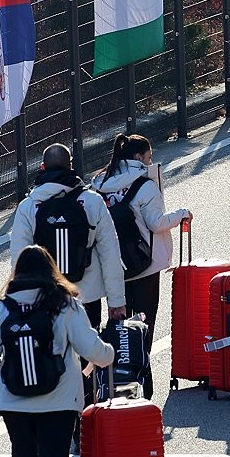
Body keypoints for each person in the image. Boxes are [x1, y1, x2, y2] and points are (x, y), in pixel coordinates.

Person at [0, 246, 115, 457]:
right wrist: (109, 352)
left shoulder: (0, 310)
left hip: (15, 405)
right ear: (51, 271)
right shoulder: (65, 305)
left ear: (17, 273)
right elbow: (92, 350)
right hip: (58, 403)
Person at [91, 133, 192, 357]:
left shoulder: (100, 186)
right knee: (145, 321)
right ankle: (141, 370)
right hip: (145, 262)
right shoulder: (145, 186)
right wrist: (182, 214)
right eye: (148, 157)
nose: (149, 161)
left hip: (113, 265)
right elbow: (156, 224)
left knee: (119, 321)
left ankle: (120, 368)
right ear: (138, 157)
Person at [10, 143, 127, 328]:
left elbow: (19, 259)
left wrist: (22, 302)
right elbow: (110, 252)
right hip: (88, 296)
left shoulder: (29, 207)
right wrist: (117, 300)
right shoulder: (91, 201)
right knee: (87, 350)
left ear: (42, 168)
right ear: (71, 166)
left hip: (46, 299)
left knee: (55, 354)